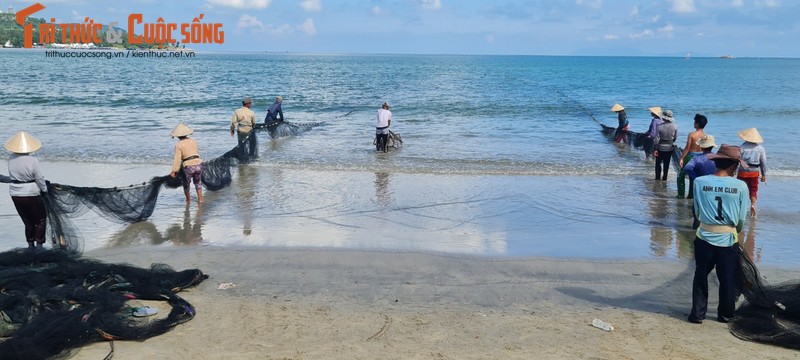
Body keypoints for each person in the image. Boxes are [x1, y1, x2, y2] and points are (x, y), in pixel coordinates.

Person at [688, 144, 750, 324]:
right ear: (733, 165)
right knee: (727, 278)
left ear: (717, 162)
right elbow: (740, 219)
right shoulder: (740, 186)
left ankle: (698, 314)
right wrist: (733, 231)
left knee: (701, 275)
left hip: (704, 237)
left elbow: (698, 213)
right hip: (727, 240)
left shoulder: (700, 182)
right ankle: (725, 314)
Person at [5, 131, 48, 250]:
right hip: (31, 193)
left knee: (27, 221)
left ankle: (30, 246)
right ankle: (39, 247)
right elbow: (39, 178)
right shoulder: (32, 160)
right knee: (40, 219)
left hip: (15, 193)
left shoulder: (11, 158)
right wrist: (44, 190)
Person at [683, 135, 717, 229]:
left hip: (700, 185)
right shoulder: (717, 158)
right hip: (715, 185)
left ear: (701, 147)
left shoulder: (696, 158)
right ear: (712, 146)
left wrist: (695, 177)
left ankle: (696, 226)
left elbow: (687, 168)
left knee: (697, 205)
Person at [170, 123, 203, 204]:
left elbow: (177, 159)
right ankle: (200, 199)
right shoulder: (193, 141)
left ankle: (188, 200)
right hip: (199, 164)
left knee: (186, 184)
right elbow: (196, 152)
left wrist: (174, 171)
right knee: (198, 183)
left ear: (177, 136)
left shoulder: (178, 145)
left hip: (188, 166)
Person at [677, 114, 708, 198]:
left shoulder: (692, 134)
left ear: (697, 124)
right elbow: (704, 148)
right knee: (693, 177)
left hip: (690, 156)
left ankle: (681, 195)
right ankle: (691, 195)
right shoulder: (705, 136)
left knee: (681, 175)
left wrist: (682, 158)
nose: (694, 123)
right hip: (700, 157)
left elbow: (687, 148)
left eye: (695, 122)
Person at [736, 128, 766, 217]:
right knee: (753, 190)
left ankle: (740, 207)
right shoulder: (760, 148)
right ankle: (752, 205)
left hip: (742, 171)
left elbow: (738, 160)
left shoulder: (741, 147)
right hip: (754, 172)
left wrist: (733, 171)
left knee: (740, 190)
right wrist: (763, 174)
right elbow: (763, 162)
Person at [653, 109, 677, 181]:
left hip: (660, 147)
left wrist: (655, 149)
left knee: (658, 164)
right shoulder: (675, 126)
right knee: (666, 164)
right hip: (669, 148)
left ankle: (657, 178)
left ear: (664, 117)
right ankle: (664, 178)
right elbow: (675, 138)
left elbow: (656, 139)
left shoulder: (660, 126)